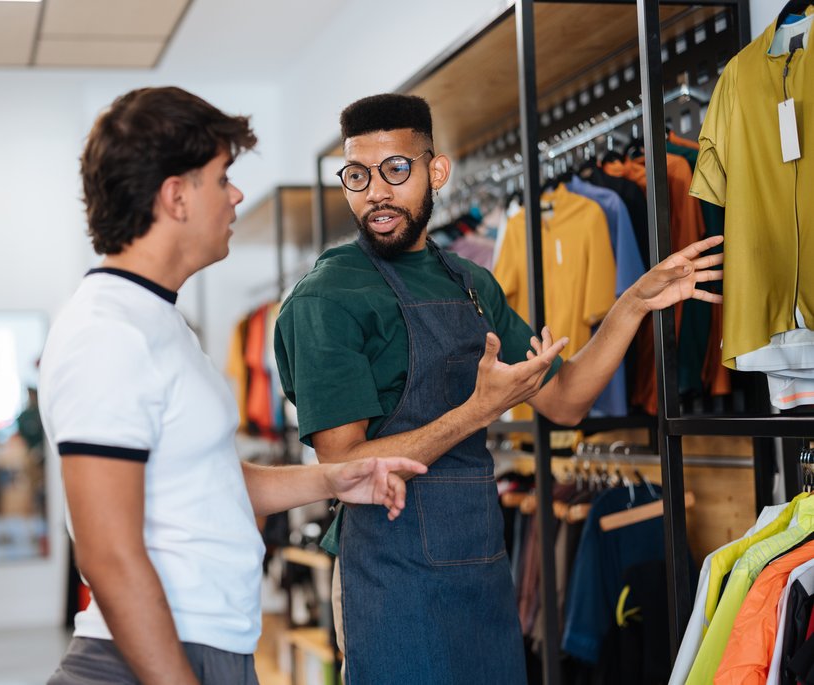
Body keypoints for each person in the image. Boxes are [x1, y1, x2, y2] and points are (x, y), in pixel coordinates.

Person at [273, 93, 724, 684]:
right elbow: (344, 465)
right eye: (357, 176)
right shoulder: (327, 298)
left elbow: (564, 402)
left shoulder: (470, 283)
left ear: (436, 171)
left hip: (482, 571)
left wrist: (633, 304)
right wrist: (478, 409)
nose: (375, 192)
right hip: (391, 575)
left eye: (396, 170)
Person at [38, 86, 427, 685]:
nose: (238, 194)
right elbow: (107, 554)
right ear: (176, 196)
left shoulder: (161, 324)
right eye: (223, 177)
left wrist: (329, 479)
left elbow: (206, 481)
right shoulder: (107, 333)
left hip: (205, 647)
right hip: (148, 656)